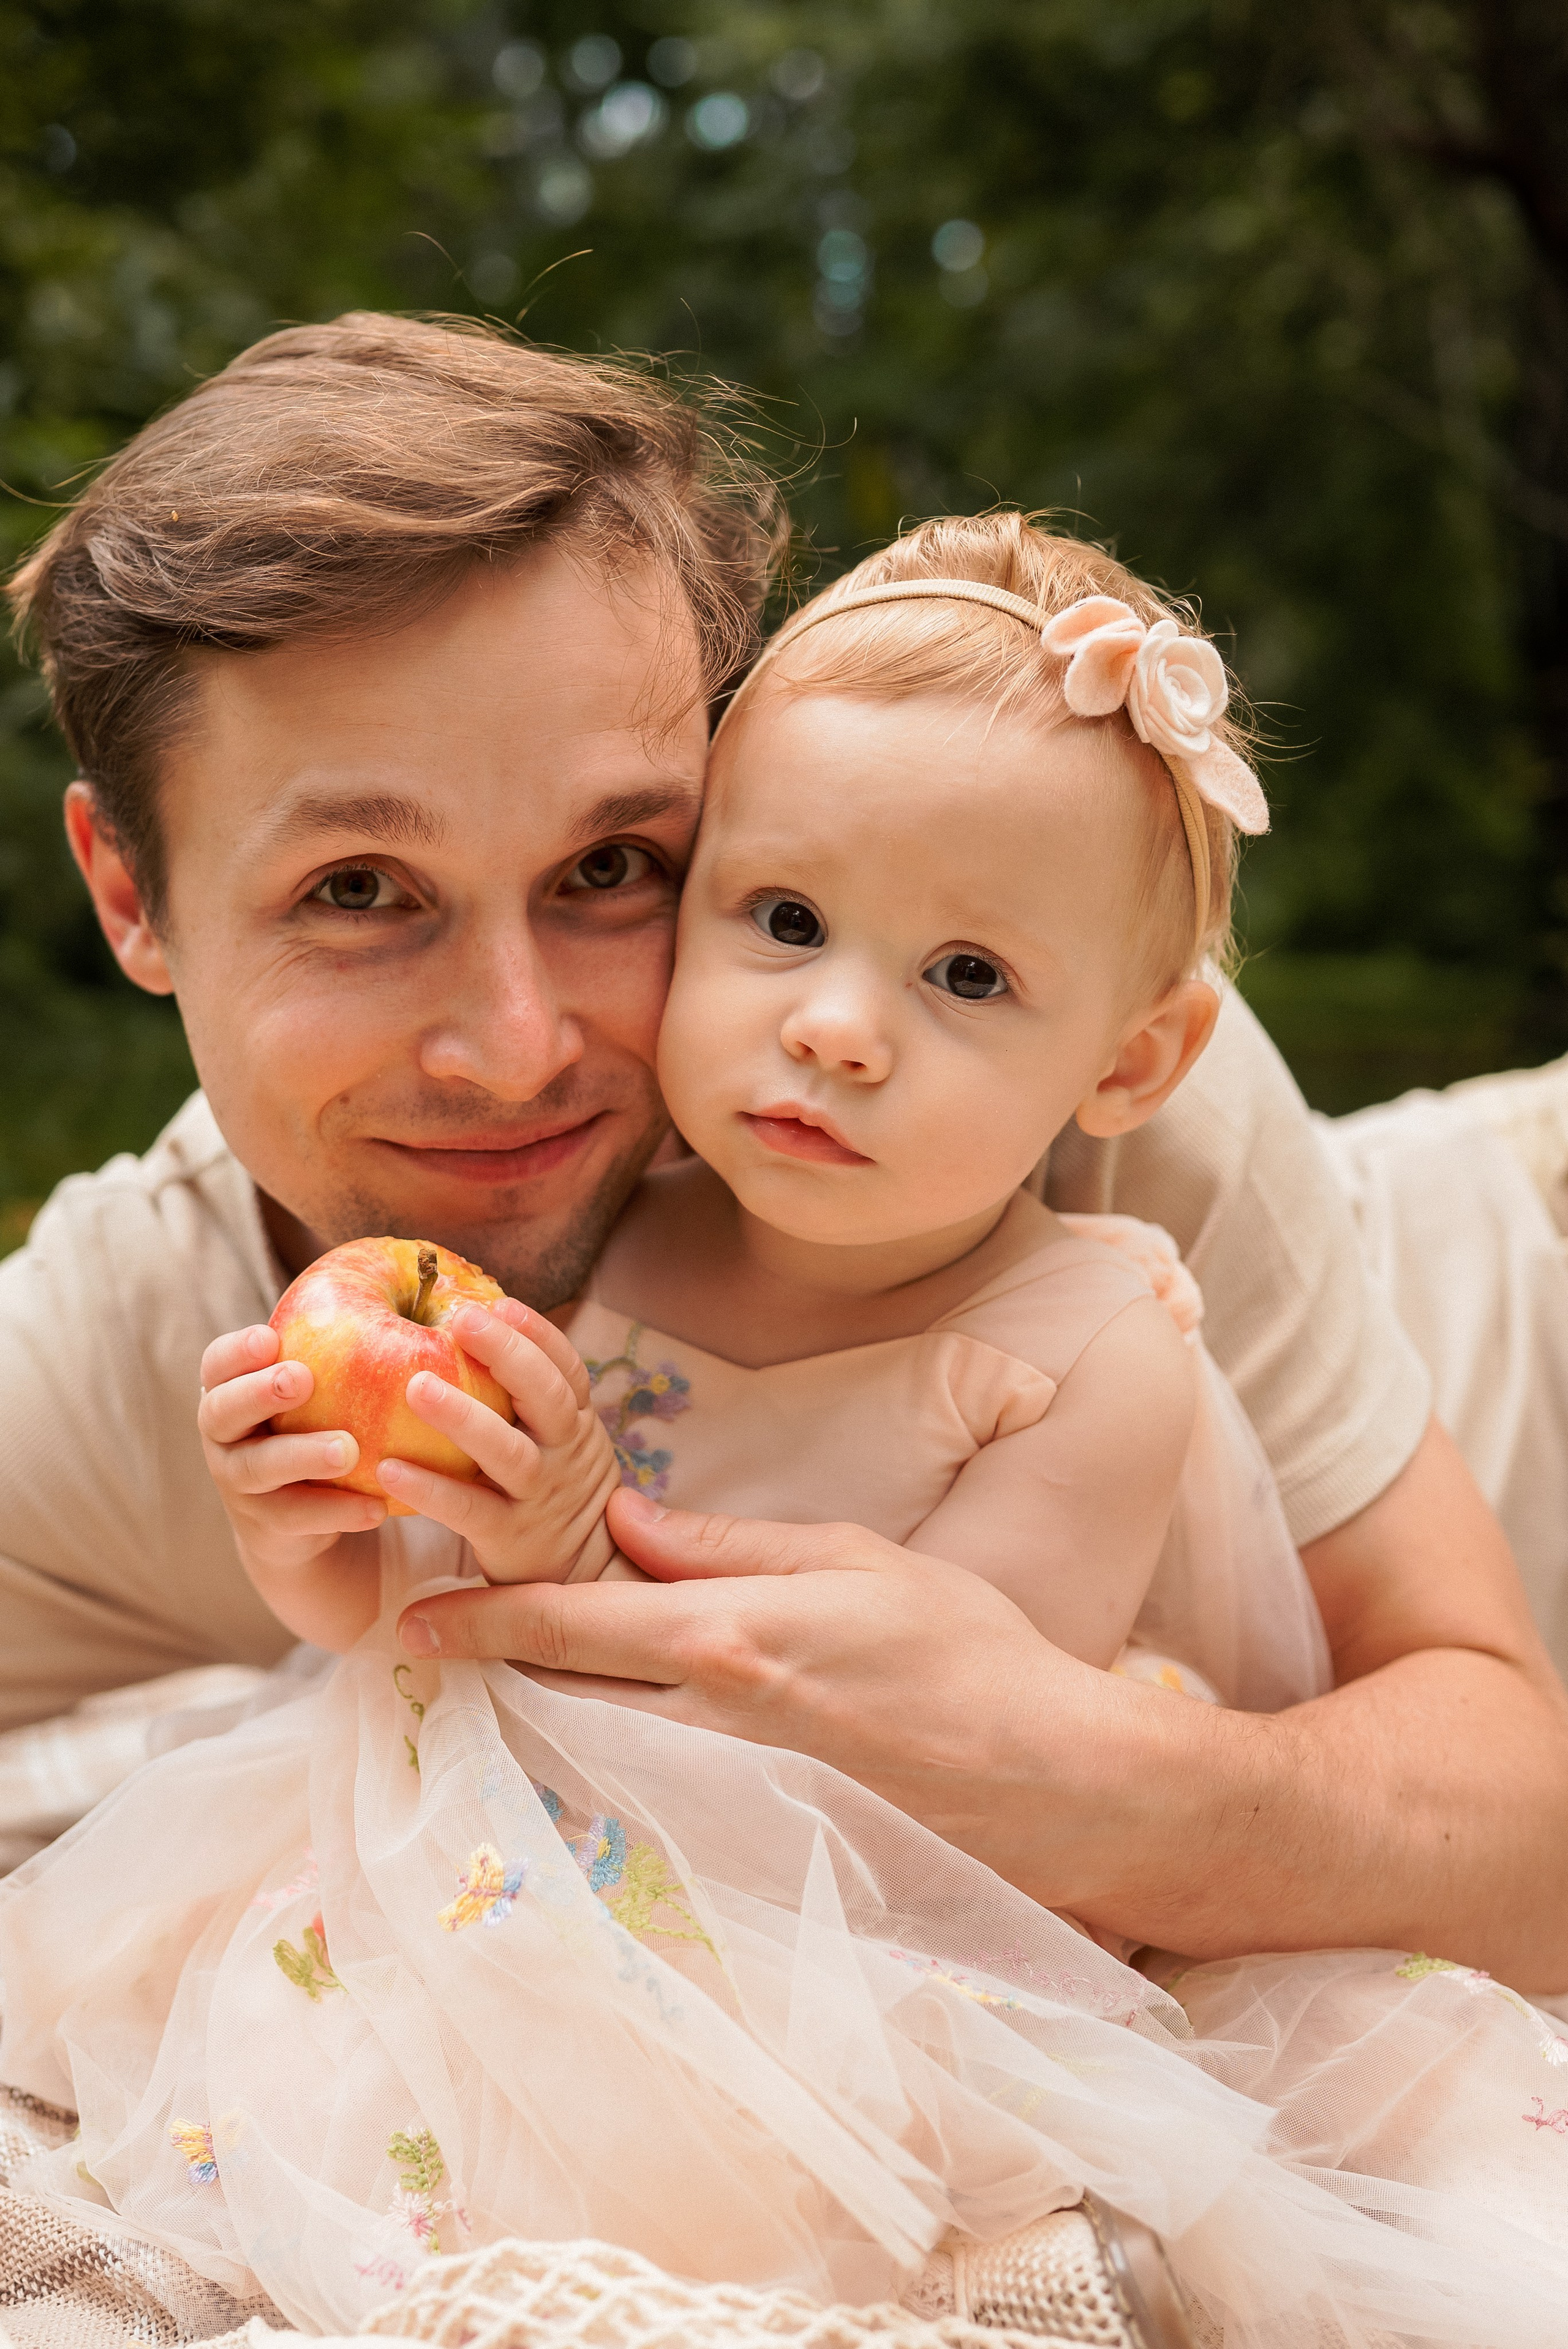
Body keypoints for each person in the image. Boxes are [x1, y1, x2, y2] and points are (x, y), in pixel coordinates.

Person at [7, 522, 1568, 2349]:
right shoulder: (627, 1204)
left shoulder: (1099, 1330)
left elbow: (925, 1745)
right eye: (787, 922)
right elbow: (425, 1616)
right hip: (545, 1864)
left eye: (966, 976)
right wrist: (319, 1531)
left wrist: (572, 1537)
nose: (833, 1028)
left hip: (865, 1928)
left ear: (1134, 1063)